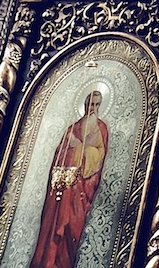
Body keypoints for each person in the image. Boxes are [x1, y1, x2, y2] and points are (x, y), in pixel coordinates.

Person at [28, 90, 109, 268]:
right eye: (90, 103)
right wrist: (71, 148)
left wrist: (79, 146)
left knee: (71, 227)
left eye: (96, 104)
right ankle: (45, 262)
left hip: (81, 187)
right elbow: (59, 155)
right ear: (84, 104)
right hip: (62, 187)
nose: (92, 108)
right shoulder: (72, 128)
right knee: (51, 226)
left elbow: (98, 158)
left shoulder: (101, 128)